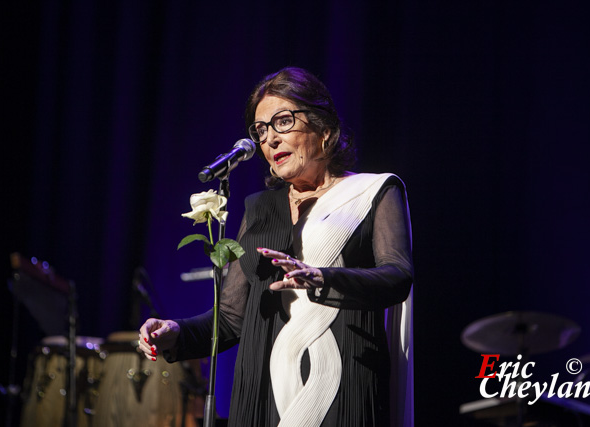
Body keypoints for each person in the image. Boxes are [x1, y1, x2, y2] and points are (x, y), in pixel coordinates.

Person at [139, 67, 414, 427]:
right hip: (261, 394)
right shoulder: (259, 209)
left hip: (342, 385)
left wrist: (321, 278)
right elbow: (232, 318)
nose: (269, 139)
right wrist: (177, 332)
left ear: (325, 131)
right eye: (261, 129)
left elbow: (397, 276)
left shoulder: (373, 193)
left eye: (283, 122)